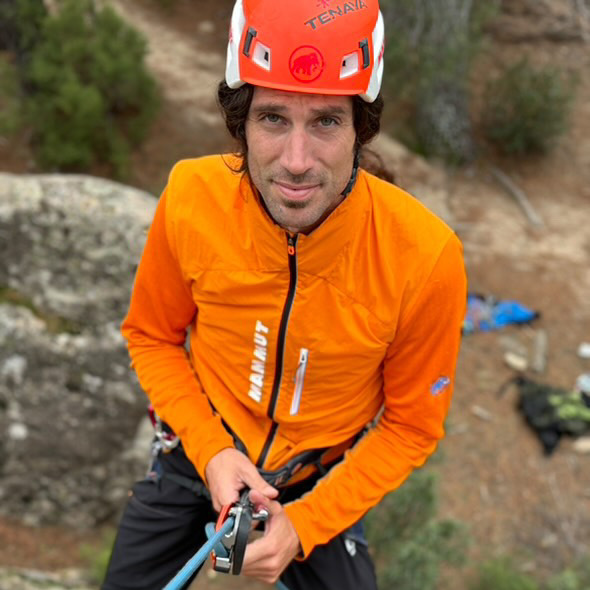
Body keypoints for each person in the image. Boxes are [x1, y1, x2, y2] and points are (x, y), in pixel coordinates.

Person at [102, 0, 467, 588]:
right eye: (273, 118)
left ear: (360, 127)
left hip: (318, 482)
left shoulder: (424, 257)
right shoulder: (192, 198)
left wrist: (306, 523)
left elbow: (411, 426)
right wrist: (212, 451)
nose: (297, 163)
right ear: (240, 123)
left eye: (326, 122)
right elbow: (151, 335)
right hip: (199, 449)